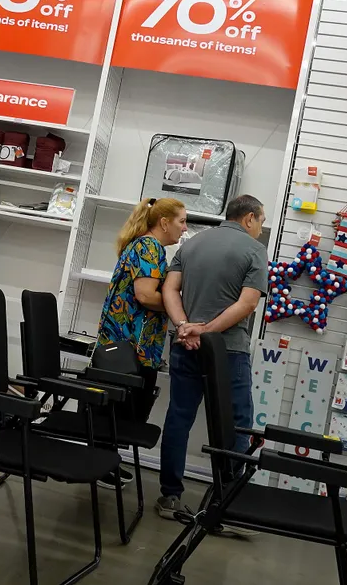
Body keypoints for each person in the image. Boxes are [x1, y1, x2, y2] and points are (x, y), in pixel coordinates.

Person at [157, 194, 267, 526]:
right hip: (227, 350)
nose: (260, 230)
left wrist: (183, 327)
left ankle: (169, 495)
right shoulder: (254, 251)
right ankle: (226, 504)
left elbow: (169, 290)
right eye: (260, 222)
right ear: (249, 218)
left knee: (179, 417)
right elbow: (247, 304)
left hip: (184, 345)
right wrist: (207, 331)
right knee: (235, 426)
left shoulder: (190, 245)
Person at [96, 197, 187, 488]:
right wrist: (179, 307)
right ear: (164, 222)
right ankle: (100, 466)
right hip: (130, 346)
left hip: (127, 343)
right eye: (181, 221)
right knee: (121, 409)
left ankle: (105, 461)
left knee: (119, 409)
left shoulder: (141, 244)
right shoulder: (150, 247)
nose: (184, 229)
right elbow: (146, 295)